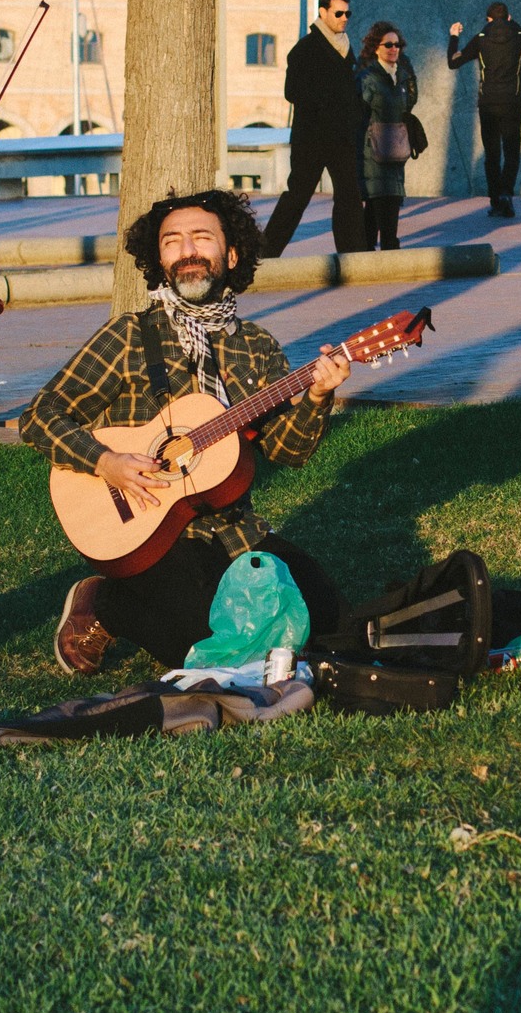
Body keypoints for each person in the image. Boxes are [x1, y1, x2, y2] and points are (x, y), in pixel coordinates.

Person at [27, 188, 353, 674]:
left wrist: (318, 397)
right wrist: (107, 462)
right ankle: (106, 601)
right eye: (172, 242)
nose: (187, 251)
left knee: (323, 614)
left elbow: (289, 450)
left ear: (232, 253)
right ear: (159, 260)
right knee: (200, 645)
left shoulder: (258, 347)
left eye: (202, 237)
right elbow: (41, 415)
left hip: (233, 527)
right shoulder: (130, 335)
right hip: (148, 528)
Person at [261, 0, 368, 256]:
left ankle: (352, 255)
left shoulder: (344, 46)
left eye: (347, 14)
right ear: (323, 12)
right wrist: (327, 104)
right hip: (312, 138)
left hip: (341, 136)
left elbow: (349, 90)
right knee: (298, 196)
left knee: (349, 196)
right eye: (338, 13)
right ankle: (266, 253)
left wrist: (355, 113)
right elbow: (292, 91)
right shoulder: (305, 48)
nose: (344, 19)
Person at [445, 2, 521, 218]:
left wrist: (453, 37)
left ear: (488, 19)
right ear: (507, 17)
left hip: (488, 104)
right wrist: (511, 23)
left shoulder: (481, 38)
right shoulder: (519, 36)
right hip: (513, 103)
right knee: (512, 151)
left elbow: (453, 62)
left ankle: (496, 200)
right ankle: (506, 193)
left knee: (492, 154)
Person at [355, 21, 418, 250]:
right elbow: (358, 113)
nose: (394, 49)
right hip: (373, 150)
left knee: (381, 202)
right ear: (376, 47)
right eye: (388, 44)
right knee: (382, 200)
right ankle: (388, 247)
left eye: (397, 44)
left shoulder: (401, 75)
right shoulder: (367, 78)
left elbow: (409, 102)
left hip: (395, 147)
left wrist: (408, 73)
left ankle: (372, 249)